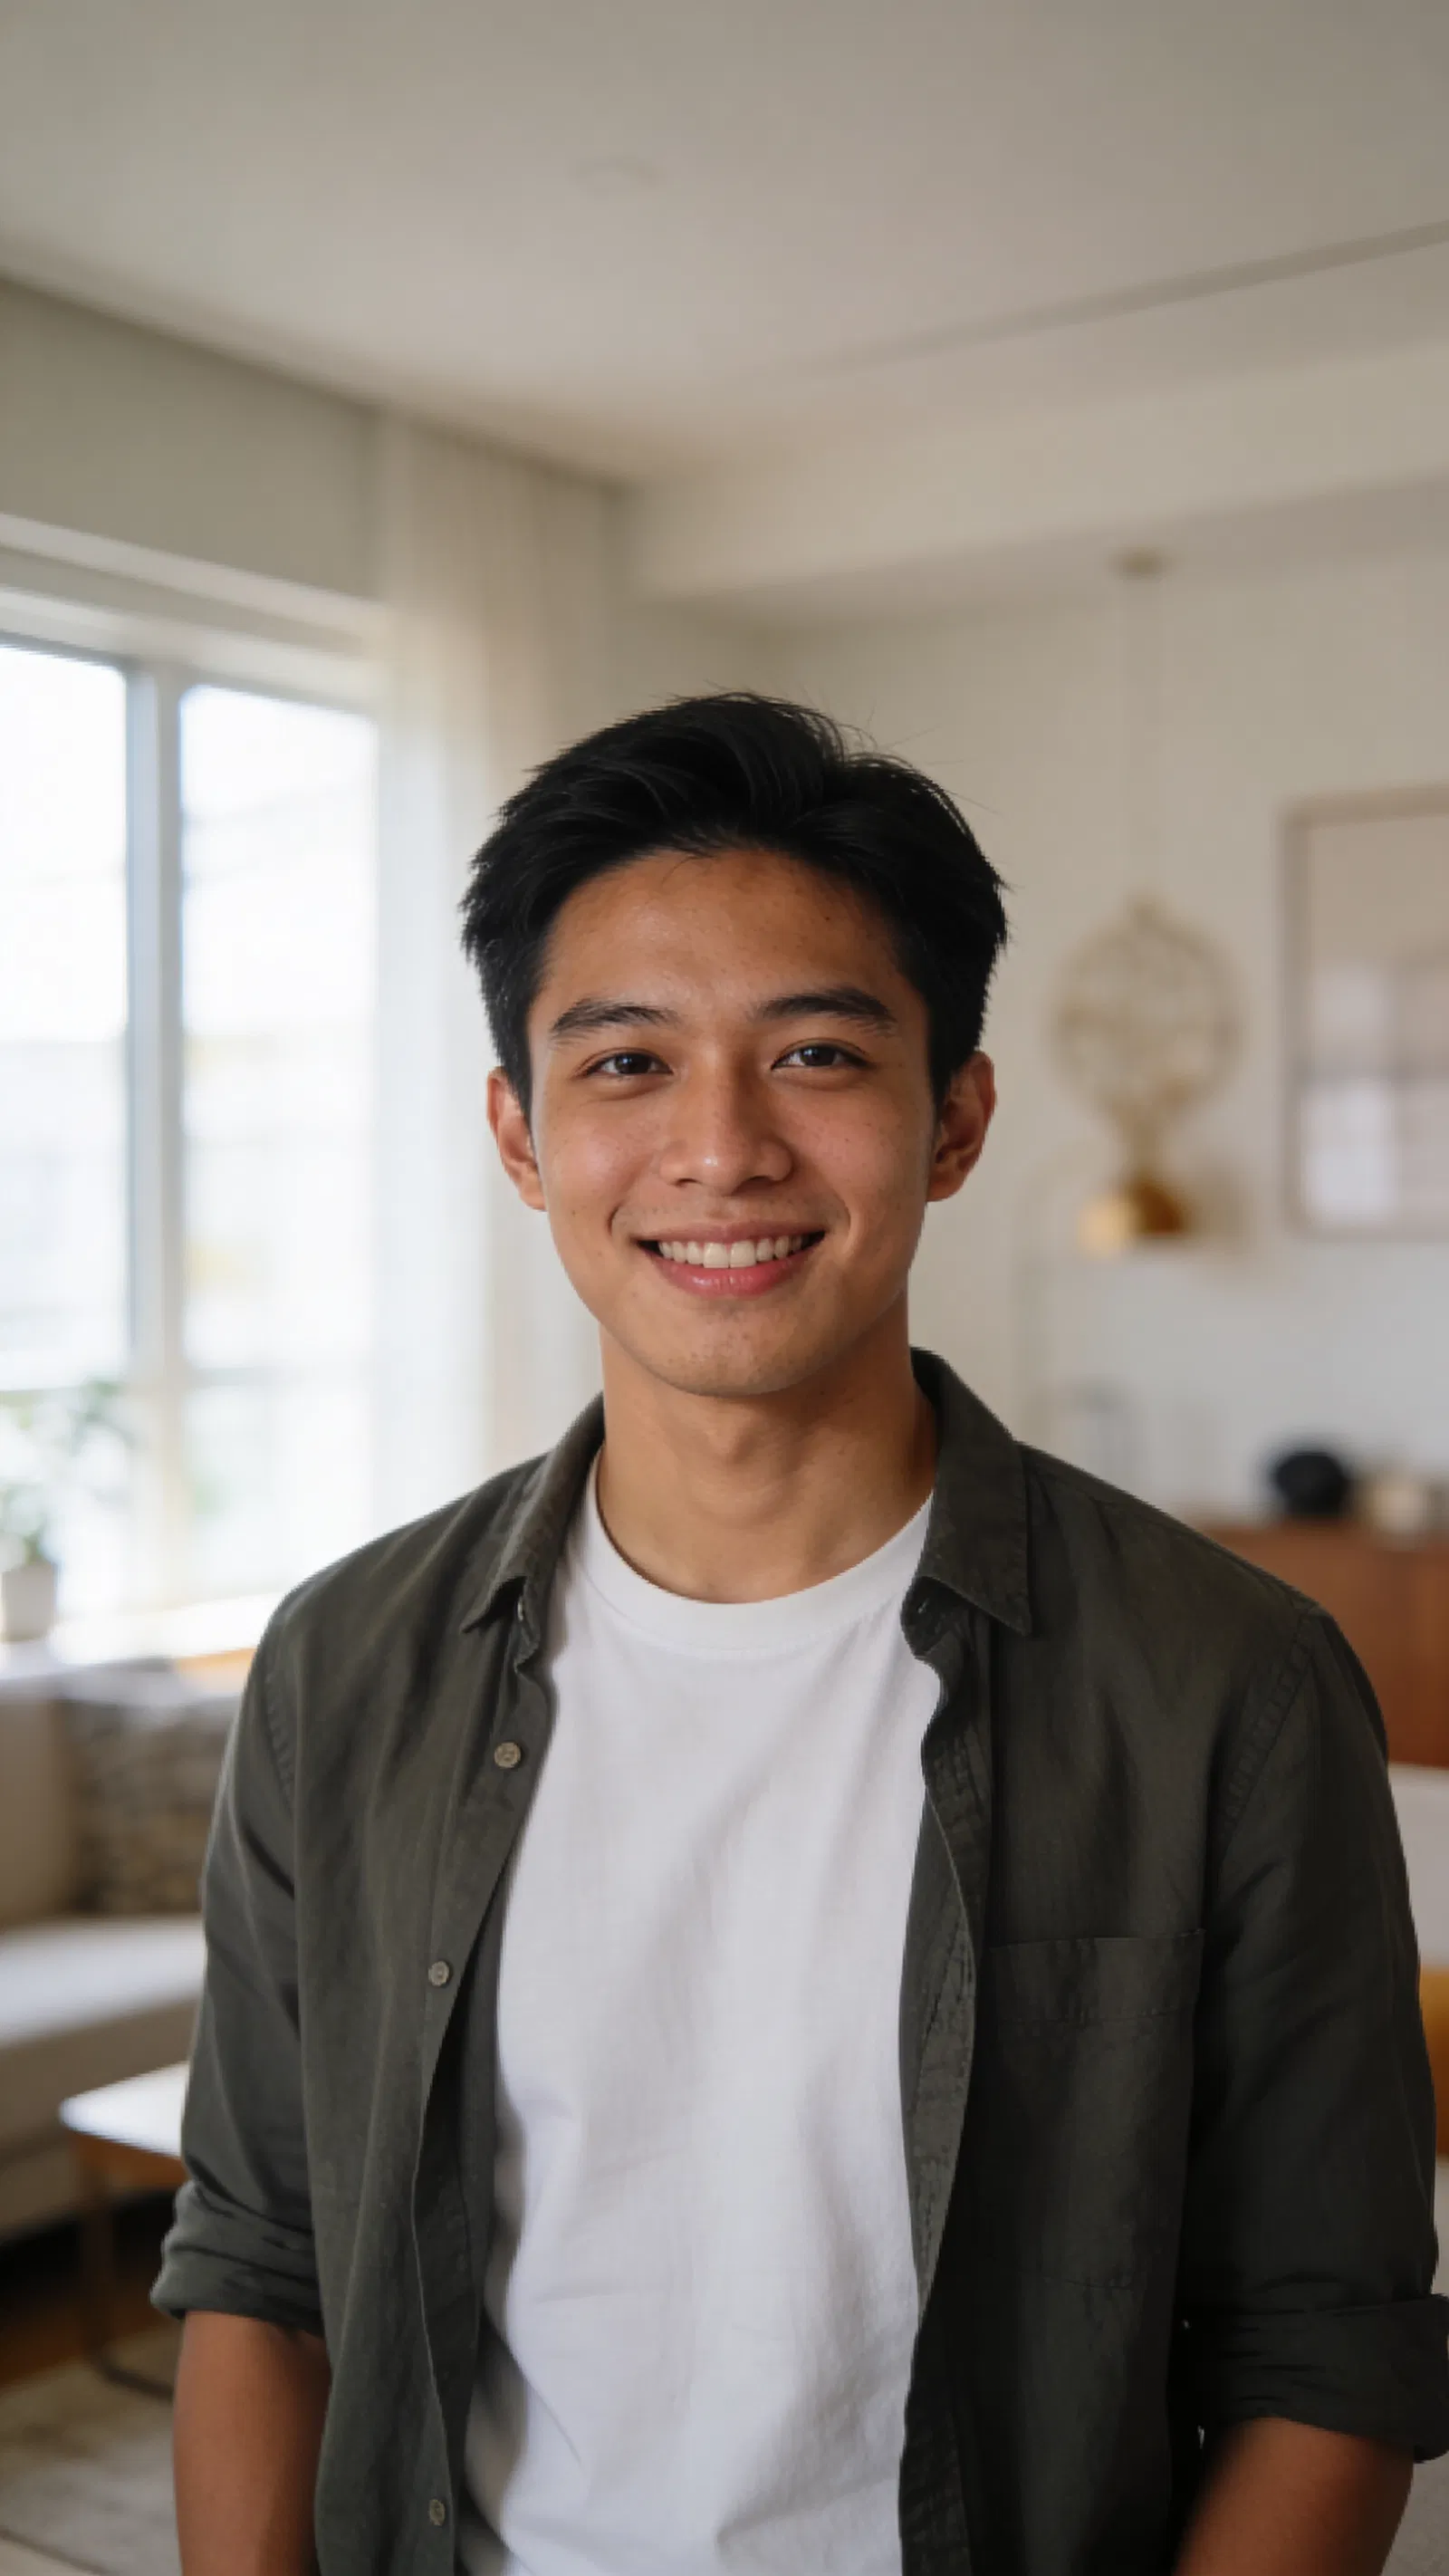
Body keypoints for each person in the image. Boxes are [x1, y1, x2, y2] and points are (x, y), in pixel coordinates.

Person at [156, 693, 1447, 2576]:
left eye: (816, 1054)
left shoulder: (1221, 1686)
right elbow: (262, 2268)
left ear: (956, 1120)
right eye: (622, 1066)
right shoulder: (344, 1666)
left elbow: (1324, 2350)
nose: (719, 1148)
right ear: (519, 1136)